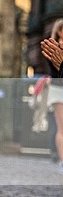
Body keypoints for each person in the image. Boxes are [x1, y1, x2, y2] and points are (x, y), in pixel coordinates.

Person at [40, 20, 63, 174]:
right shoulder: (53, 48)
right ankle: (62, 160)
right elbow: (56, 70)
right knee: (61, 128)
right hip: (58, 88)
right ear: (60, 31)